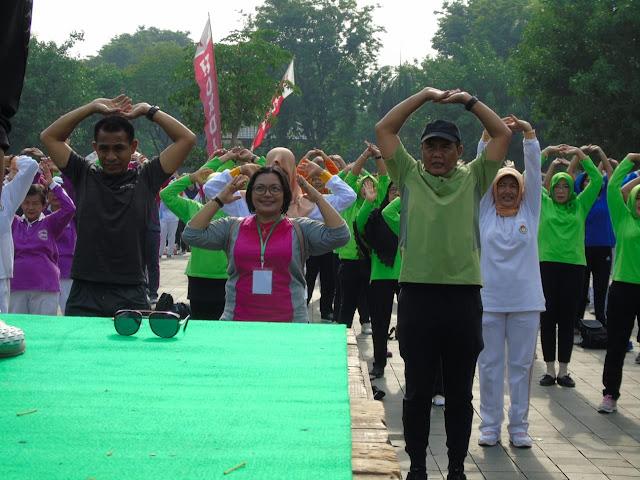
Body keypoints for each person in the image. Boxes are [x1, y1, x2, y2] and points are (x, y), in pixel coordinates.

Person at [375, 87, 512, 480]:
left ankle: (455, 466)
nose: (437, 153)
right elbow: (385, 127)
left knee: (458, 392)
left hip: (462, 297)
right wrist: (423, 96)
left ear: (459, 151)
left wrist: (468, 101)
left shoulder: (474, 176)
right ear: (420, 150)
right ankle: (416, 464)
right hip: (416, 295)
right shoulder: (407, 173)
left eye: (445, 147)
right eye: (430, 146)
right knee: (417, 390)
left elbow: (501, 134)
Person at [40, 95, 196, 316]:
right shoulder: (83, 173)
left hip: (130, 291)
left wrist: (148, 110)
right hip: (85, 290)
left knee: (127, 352)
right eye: (103, 149)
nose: (111, 156)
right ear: (95, 147)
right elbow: (49, 137)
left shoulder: (146, 178)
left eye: (119, 148)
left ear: (133, 147)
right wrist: (92, 107)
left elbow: (187, 138)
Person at [182, 166, 350, 323]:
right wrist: (219, 200)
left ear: (285, 194)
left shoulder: (300, 229)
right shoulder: (231, 227)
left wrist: (318, 198)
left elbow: (340, 235)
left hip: (289, 325)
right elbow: (191, 234)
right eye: (260, 188)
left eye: (275, 189)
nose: (267, 194)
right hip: (238, 323)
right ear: (250, 194)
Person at [475, 116, 545, 449]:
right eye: (501, 185)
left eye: (512, 186)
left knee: (520, 365)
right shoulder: (485, 210)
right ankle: (490, 425)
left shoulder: (530, 212)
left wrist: (529, 134)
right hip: (489, 300)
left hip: (526, 302)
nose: (506, 190)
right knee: (489, 364)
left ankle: (519, 426)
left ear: (521, 190)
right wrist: (488, 135)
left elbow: (532, 165)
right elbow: (482, 168)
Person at [538, 145, 603, 388]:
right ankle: (549, 369)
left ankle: (564, 371)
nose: (562, 190)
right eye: (557, 186)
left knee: (566, 321)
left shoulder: (580, 206)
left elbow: (596, 179)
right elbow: (528, 177)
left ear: (571, 189)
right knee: (547, 320)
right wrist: (546, 152)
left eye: (566, 186)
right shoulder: (543, 204)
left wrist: (580, 154)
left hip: (574, 268)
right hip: (547, 267)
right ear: (551, 189)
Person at [160, 157, 230, 320]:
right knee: (200, 325)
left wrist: (245, 160)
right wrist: (192, 177)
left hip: (229, 277)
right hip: (199, 277)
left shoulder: (238, 209)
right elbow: (166, 194)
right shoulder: (194, 208)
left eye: (220, 188)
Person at [202, 147, 356, 221]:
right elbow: (209, 187)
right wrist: (240, 170)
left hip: (291, 280)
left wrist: (322, 173)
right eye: (272, 172)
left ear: (292, 173)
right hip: (253, 278)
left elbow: (349, 196)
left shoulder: (307, 205)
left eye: (282, 174)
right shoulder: (245, 202)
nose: (270, 193)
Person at [597, 153, 640, 413]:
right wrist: (630, 159)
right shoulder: (623, 219)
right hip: (623, 288)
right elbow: (613, 187)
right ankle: (610, 394)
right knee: (616, 344)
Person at [10, 161, 75, 315]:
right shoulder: (14, 222)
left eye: (35, 204)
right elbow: (14, 197)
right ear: (21, 204)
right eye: (26, 203)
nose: (30, 207)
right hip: (16, 285)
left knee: (43, 331)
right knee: (18, 331)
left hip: (45, 285)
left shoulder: (50, 222)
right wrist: (36, 171)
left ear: (43, 205)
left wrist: (52, 183)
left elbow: (70, 208)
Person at [355, 180, 401, 380]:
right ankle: (379, 363)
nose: (396, 194)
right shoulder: (378, 215)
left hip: (407, 277)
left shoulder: (413, 216)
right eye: (393, 190)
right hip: (381, 275)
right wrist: (369, 201)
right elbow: (359, 223)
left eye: (401, 191)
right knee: (380, 324)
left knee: (409, 326)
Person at [568, 145, 615, 327]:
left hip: (603, 247)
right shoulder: (581, 198)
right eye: (586, 182)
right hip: (583, 247)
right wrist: (579, 152)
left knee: (601, 286)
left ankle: (601, 321)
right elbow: (570, 172)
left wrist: (602, 154)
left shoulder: (606, 197)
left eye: (593, 181)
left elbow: (611, 173)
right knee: (581, 287)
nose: (590, 184)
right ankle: (577, 321)